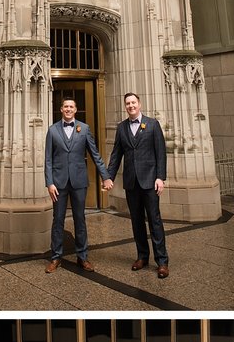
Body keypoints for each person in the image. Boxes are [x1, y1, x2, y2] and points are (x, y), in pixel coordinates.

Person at [43, 96, 112, 273]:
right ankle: (56, 257)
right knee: (57, 220)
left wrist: (105, 176)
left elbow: (95, 155)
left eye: (71, 107)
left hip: (79, 181)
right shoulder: (52, 130)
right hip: (58, 183)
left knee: (79, 219)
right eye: (65, 106)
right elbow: (48, 160)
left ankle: (82, 257)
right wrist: (49, 183)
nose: (68, 109)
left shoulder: (84, 128)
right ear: (61, 109)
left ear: (75, 109)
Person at [107, 92, 169, 279]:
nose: (131, 106)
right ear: (125, 106)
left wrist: (160, 177)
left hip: (150, 181)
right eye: (128, 103)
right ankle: (142, 256)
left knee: (154, 220)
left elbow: (161, 153)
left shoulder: (152, 124)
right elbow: (116, 154)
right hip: (131, 183)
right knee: (136, 221)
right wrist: (108, 177)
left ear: (139, 104)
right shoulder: (121, 128)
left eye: (133, 102)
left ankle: (162, 261)